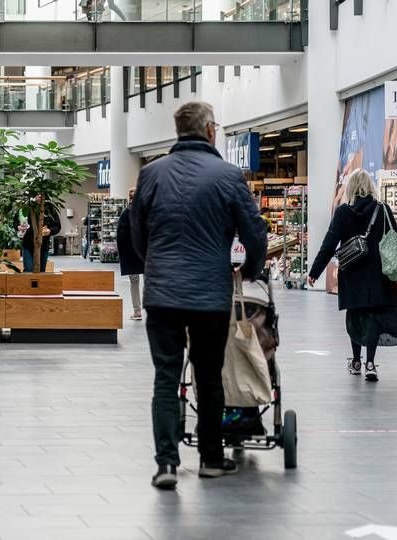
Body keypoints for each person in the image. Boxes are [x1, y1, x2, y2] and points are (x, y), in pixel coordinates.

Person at [130, 102, 267, 489]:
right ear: (209, 131)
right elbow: (254, 233)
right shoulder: (227, 176)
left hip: (162, 294)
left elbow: (137, 232)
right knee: (208, 375)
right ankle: (210, 457)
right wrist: (251, 270)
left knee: (165, 377)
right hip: (209, 294)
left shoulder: (151, 174)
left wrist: (155, 263)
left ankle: (166, 465)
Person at [308, 169, 397, 382]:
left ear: (351, 187)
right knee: (373, 316)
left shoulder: (343, 212)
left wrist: (315, 272)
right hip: (378, 273)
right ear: (370, 186)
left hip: (352, 272)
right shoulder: (382, 209)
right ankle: (370, 363)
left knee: (355, 314)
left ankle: (356, 361)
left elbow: (329, 244)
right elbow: (396, 239)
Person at [117, 189, 144, 321]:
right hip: (147, 252)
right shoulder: (147, 211)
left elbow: (121, 234)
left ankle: (137, 311)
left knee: (134, 281)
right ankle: (156, 311)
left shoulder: (127, 212)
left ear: (129, 198)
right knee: (152, 281)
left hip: (131, 251)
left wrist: (122, 251)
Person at [17, 199, 61, 273]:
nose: (39, 196)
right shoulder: (26, 207)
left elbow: (57, 226)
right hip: (28, 244)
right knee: (28, 270)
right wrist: (18, 227)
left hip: (43, 245)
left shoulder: (49, 208)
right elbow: (15, 222)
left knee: (41, 271)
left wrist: (50, 231)